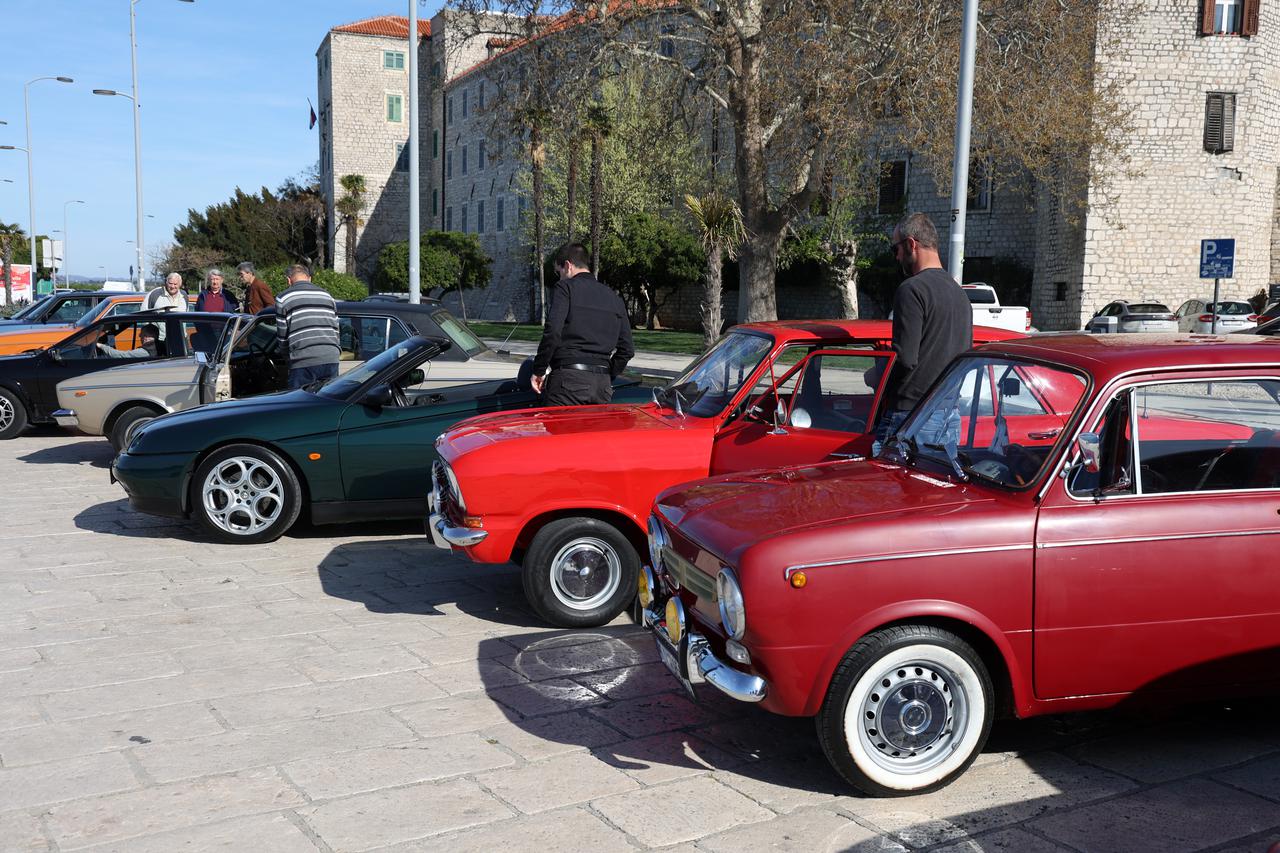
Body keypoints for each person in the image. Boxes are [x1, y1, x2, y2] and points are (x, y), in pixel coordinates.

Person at [873, 212, 973, 454]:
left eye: (895, 249)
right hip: (949, 413)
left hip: (911, 415)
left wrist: (876, 376)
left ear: (911, 244)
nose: (897, 257)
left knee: (888, 477)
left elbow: (905, 358)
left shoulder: (911, 290)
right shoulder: (960, 294)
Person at [530, 243, 635, 406]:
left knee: (559, 424)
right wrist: (608, 374)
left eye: (559, 272)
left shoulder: (565, 288)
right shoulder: (614, 298)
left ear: (568, 265)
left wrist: (539, 370)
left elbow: (553, 332)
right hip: (602, 387)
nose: (559, 277)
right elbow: (627, 349)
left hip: (568, 382)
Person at [276, 263, 340, 389]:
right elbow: (336, 329)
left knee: (299, 400)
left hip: (303, 359)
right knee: (327, 399)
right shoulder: (327, 295)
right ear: (309, 278)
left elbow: (282, 336)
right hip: (331, 357)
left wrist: (287, 357)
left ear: (288, 280)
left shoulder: (283, 298)